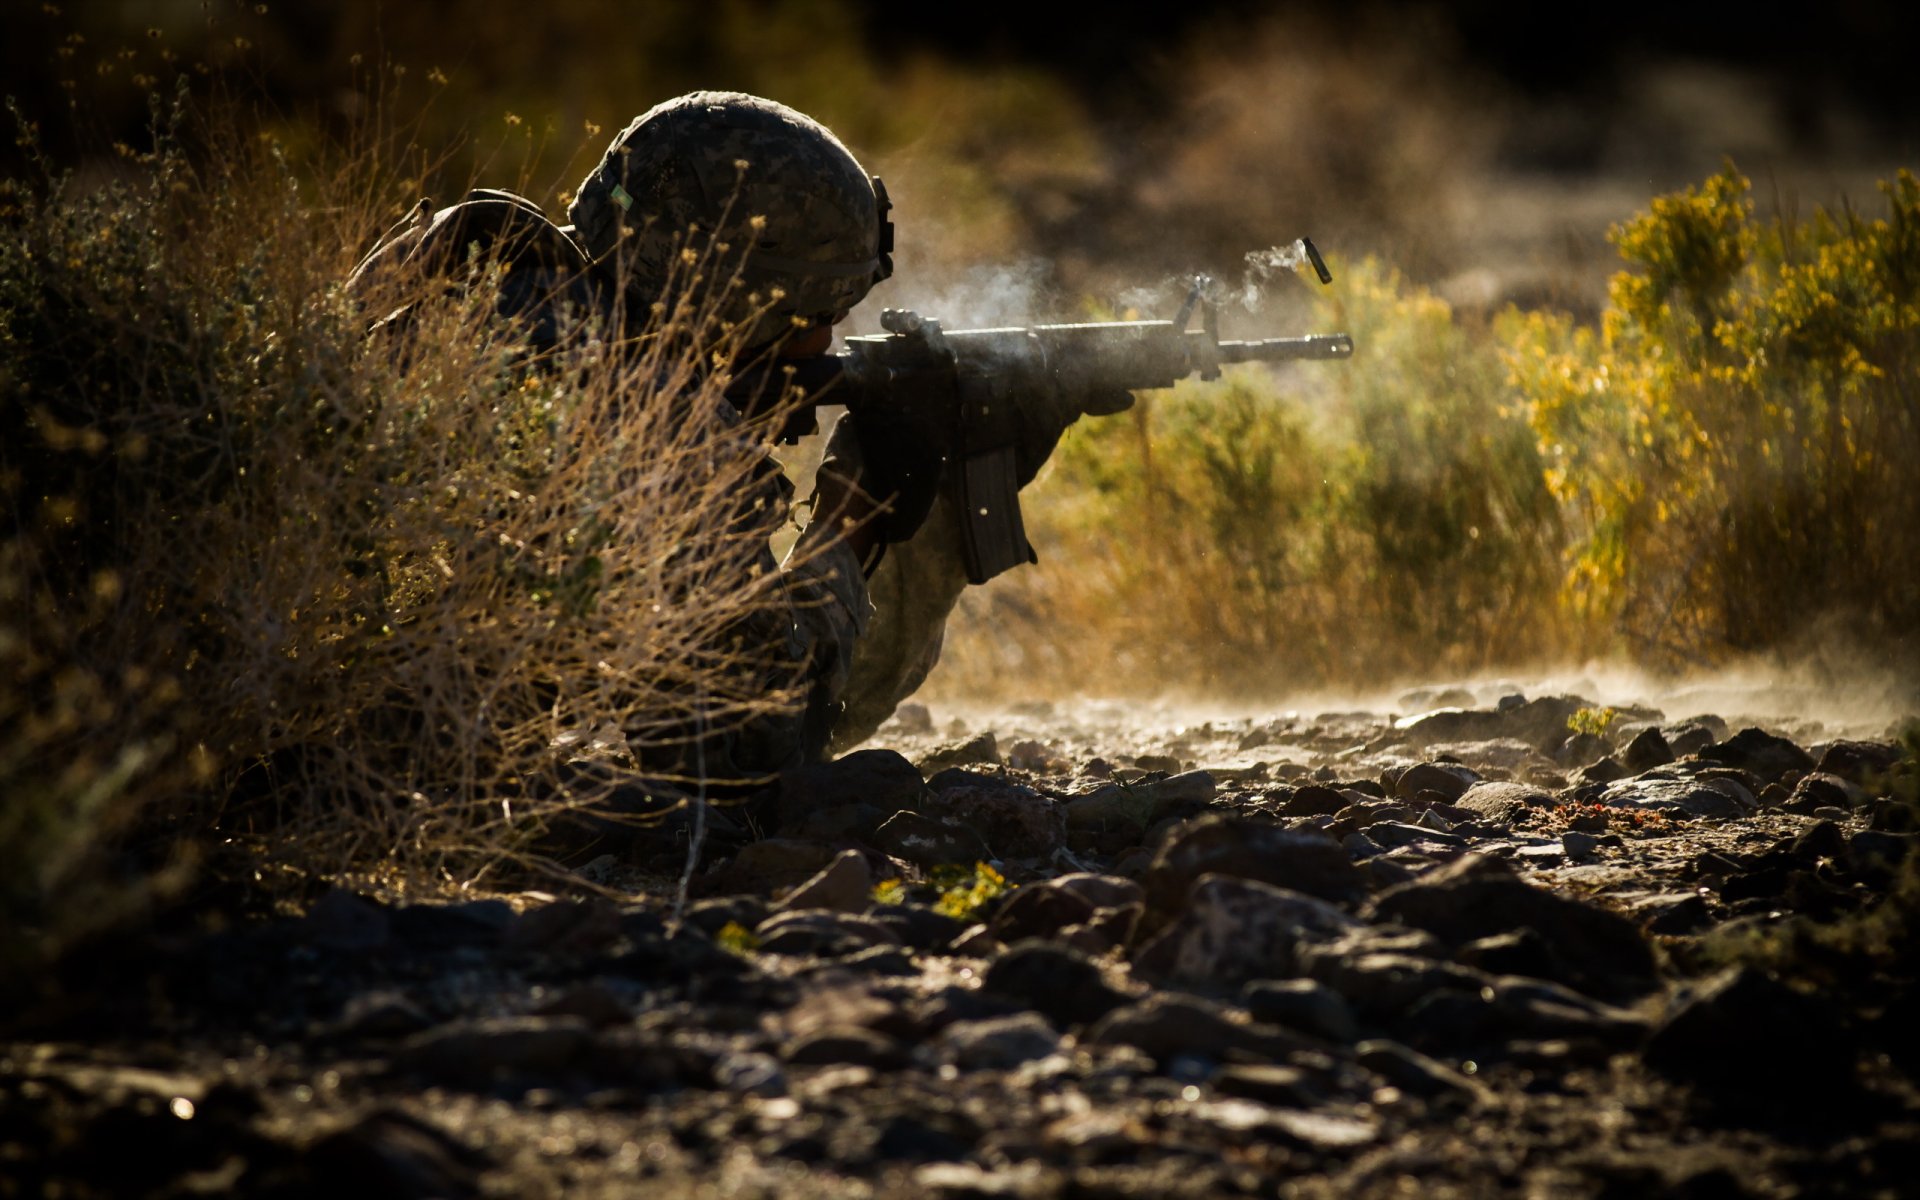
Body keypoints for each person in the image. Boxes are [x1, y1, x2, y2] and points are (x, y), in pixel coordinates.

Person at [349, 90, 1092, 795]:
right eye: (809, 308)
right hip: (356, 761)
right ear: (719, 292)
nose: (822, 339)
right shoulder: (645, 421)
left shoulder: (488, 274)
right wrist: (858, 517)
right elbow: (745, 758)